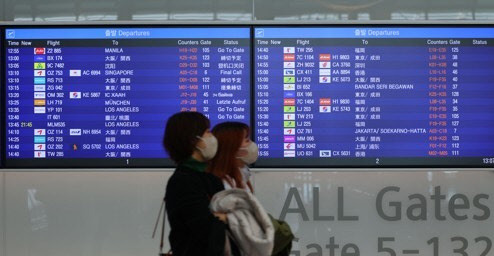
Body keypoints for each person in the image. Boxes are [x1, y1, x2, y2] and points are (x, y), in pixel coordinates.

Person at [163, 112, 238, 256]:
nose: (212, 138)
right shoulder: (183, 181)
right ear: (193, 140)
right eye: (208, 132)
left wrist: (226, 218)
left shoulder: (209, 177)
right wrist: (231, 218)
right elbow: (207, 229)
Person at [208, 122, 258, 193]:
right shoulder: (222, 183)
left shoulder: (242, 174)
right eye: (246, 140)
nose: (252, 144)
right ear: (232, 147)